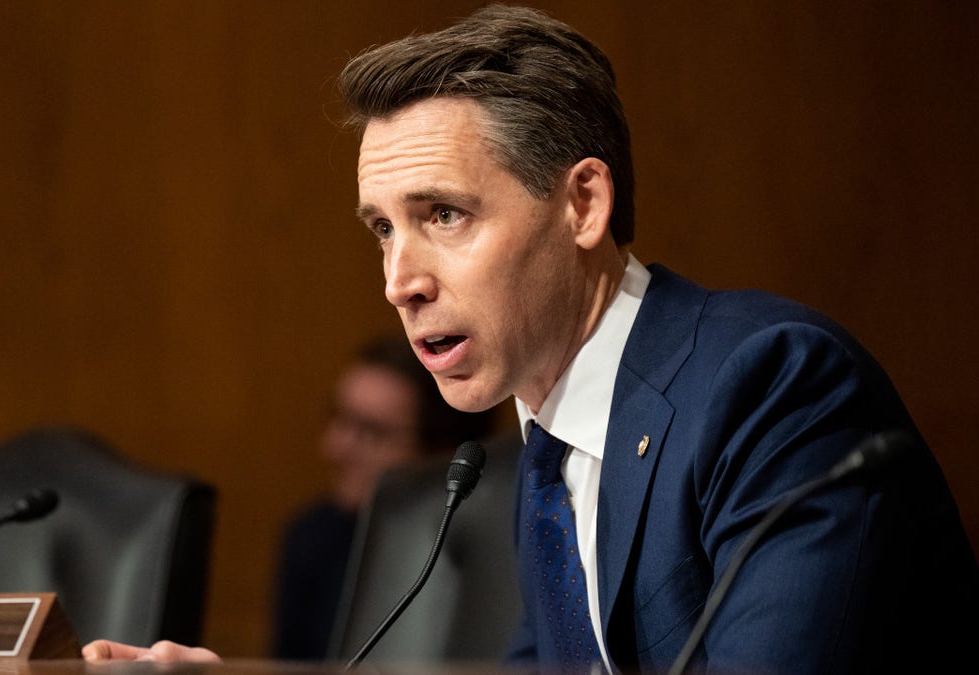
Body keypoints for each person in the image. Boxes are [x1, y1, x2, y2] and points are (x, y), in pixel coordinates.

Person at [84, 4, 979, 672]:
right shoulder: (544, 453)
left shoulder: (772, 388)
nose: (399, 280)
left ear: (583, 204)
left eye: (443, 214)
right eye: (383, 229)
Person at [272, 335, 497, 660]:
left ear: (446, 455)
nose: (334, 448)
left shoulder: (492, 556)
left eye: (370, 432)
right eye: (339, 418)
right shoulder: (312, 537)